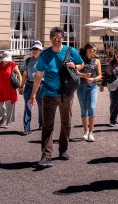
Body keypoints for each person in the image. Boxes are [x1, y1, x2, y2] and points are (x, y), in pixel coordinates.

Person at [29, 27, 83, 168]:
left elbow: (81, 63)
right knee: (47, 125)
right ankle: (46, 156)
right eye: (53, 36)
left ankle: (63, 149)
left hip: (66, 94)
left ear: (63, 38)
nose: (56, 39)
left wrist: (75, 65)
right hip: (49, 94)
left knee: (66, 123)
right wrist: (33, 94)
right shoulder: (45, 55)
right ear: (50, 38)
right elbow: (38, 75)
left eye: (59, 36)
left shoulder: (71, 51)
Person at [0, 50, 22, 128]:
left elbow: (19, 74)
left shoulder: (13, 64)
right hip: (0, 88)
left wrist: (20, 85)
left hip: (10, 89)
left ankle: (8, 122)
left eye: (7, 60)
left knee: (9, 106)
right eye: (5, 59)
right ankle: (4, 116)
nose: (6, 61)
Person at [76, 43, 102, 142]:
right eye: (93, 50)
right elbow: (75, 71)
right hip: (81, 86)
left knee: (92, 108)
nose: (94, 52)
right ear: (87, 50)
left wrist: (93, 79)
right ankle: (85, 132)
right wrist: (84, 75)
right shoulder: (80, 60)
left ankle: (91, 132)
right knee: (84, 110)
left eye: (95, 50)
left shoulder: (97, 61)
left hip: (93, 87)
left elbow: (100, 76)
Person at [19, 41, 44, 135]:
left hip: (41, 85)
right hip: (29, 85)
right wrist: (21, 86)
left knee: (41, 106)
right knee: (27, 106)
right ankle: (27, 128)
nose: (34, 50)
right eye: (33, 49)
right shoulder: (28, 60)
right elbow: (25, 73)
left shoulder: (44, 61)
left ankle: (42, 123)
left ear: (40, 50)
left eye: (36, 49)